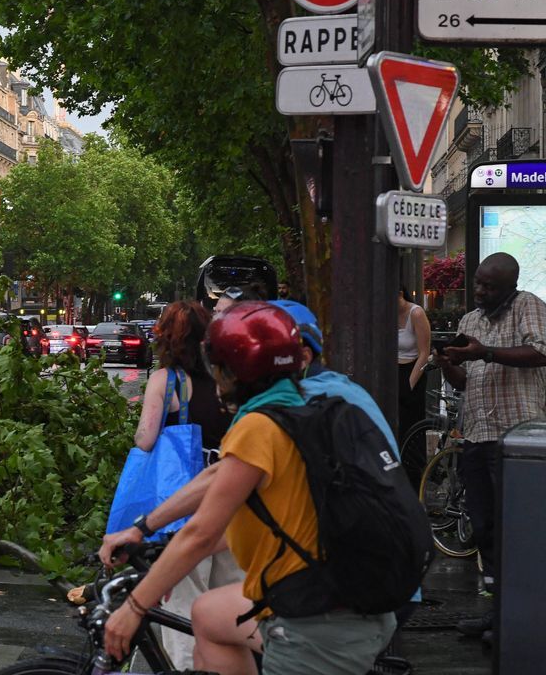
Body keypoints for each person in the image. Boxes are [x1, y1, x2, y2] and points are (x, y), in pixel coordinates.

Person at [100, 302, 395, 674]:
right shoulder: (306, 407)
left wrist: (135, 607)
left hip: (319, 616)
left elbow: (201, 535)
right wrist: (145, 527)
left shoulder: (262, 426)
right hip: (353, 594)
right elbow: (216, 477)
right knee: (206, 615)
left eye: (219, 370)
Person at [440, 252, 546, 639]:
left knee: (518, 528)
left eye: (490, 286)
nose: (481, 292)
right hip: (477, 437)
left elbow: (541, 352)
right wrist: (448, 362)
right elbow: (465, 383)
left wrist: (484, 352)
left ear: (510, 287)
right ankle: (497, 611)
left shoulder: (528, 307)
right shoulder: (470, 321)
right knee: (484, 528)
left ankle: (523, 616)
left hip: (518, 440)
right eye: (479, 284)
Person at [132, 301, 239, 669]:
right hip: (235, 492)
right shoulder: (228, 377)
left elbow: (145, 439)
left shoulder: (168, 380)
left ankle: (187, 667)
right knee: (231, 597)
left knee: (182, 596)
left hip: (186, 501)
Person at [396, 286, 431, 477]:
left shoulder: (415, 313)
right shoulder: (387, 314)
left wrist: (410, 383)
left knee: (410, 424)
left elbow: (424, 352)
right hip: (394, 370)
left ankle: (415, 474)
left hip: (412, 369)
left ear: (400, 294)